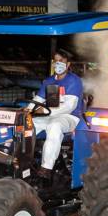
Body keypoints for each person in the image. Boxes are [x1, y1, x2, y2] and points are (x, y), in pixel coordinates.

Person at [31, 49, 83, 180]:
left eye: (61, 61)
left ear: (68, 64)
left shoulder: (74, 81)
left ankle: (46, 168)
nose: (58, 64)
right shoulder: (48, 81)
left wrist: (45, 111)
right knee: (27, 125)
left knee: (54, 126)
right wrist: (27, 111)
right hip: (50, 115)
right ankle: (23, 160)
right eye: (56, 61)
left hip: (69, 116)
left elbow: (69, 106)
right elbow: (38, 99)